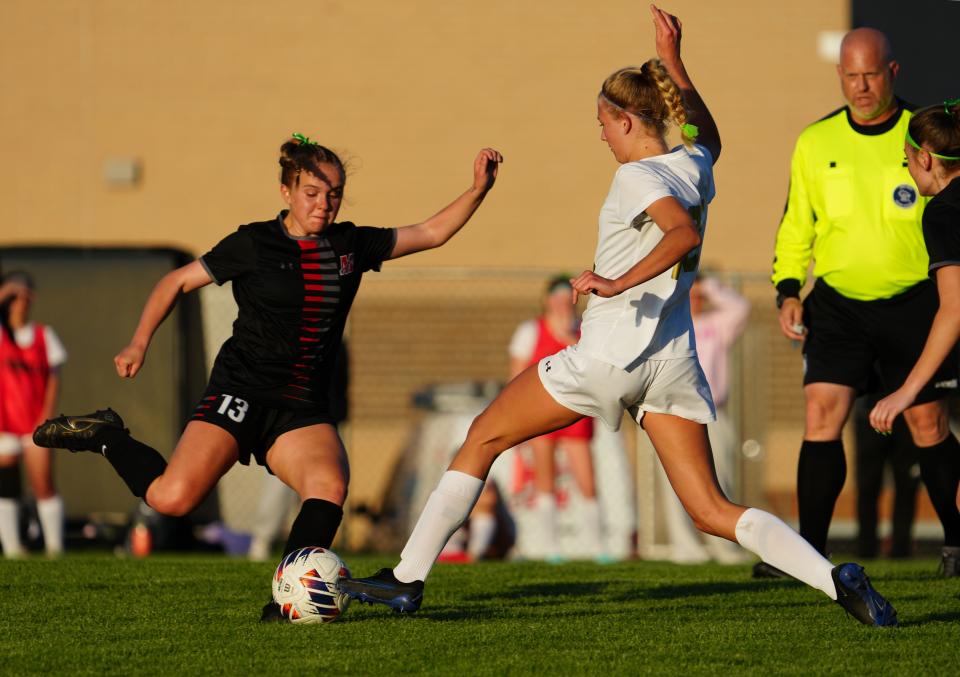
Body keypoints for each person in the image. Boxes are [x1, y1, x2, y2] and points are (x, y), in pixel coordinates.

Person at [340, 6, 897, 627]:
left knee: (482, 437)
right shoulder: (694, 163)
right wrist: (676, 61)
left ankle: (406, 580)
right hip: (672, 364)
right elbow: (710, 134)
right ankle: (835, 577)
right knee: (712, 509)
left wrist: (613, 280)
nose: (601, 135)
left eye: (604, 123)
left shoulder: (637, 177)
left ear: (628, 119)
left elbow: (680, 235)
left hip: (608, 357)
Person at [32, 135, 503, 620]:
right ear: (286, 191)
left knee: (329, 487)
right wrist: (138, 342)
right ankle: (108, 436)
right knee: (172, 498)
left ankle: (285, 601)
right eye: (312, 193)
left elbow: (431, 232)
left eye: (334, 194)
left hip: (300, 405)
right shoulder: (253, 244)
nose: (324, 204)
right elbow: (175, 281)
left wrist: (477, 189)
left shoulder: (351, 244)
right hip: (239, 391)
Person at [769, 27, 960, 576]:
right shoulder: (816, 141)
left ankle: (956, 542)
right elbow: (794, 224)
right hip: (838, 305)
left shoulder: (922, 135)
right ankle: (806, 555)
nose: (860, 86)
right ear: (839, 76)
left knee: (928, 422)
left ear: (892, 73)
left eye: (870, 74)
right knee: (819, 413)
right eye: (850, 75)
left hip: (916, 302)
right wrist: (788, 288)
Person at [869, 99, 960, 577]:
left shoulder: (943, 212)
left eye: (906, 160)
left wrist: (907, 390)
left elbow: (954, 309)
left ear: (925, 158)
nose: (908, 170)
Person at [655, 275, 749, 564]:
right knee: (676, 481)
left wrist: (709, 285)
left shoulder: (714, 325)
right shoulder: (668, 325)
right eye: (690, 295)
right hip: (675, 411)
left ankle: (723, 545)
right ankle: (684, 546)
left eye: (698, 296)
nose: (694, 300)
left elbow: (740, 308)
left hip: (712, 410)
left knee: (720, 478)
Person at [507, 275, 601, 561]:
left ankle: (595, 544)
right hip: (541, 412)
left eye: (567, 298)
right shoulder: (530, 330)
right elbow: (516, 374)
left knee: (586, 479)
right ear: (547, 301)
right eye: (556, 298)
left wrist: (569, 339)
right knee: (545, 478)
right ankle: (549, 545)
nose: (561, 305)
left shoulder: (585, 330)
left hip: (575, 414)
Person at [0, 271, 67, 558]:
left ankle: (55, 547)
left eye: (24, 295)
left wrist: (46, 417)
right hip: (4, 424)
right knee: (6, 486)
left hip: (34, 423)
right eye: (13, 296)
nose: (19, 301)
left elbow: (53, 380)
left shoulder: (43, 335)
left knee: (43, 484)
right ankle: (13, 548)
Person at [852, 394, 918, 559]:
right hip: (869, 413)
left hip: (908, 414)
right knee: (867, 486)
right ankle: (866, 549)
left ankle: (901, 549)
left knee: (907, 485)